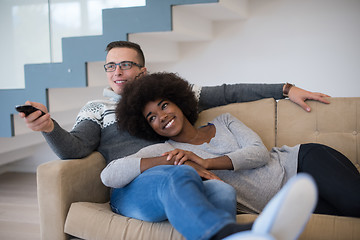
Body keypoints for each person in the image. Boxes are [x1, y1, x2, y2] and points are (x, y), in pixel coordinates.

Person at [19, 40, 330, 164]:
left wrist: (286, 88)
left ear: (142, 70)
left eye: (126, 64)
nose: (117, 72)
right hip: (140, 175)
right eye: (111, 66)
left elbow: (228, 92)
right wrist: (48, 126)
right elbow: (75, 149)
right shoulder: (96, 108)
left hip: (188, 167)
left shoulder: (167, 98)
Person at [103, 72, 360, 219]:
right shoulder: (166, 152)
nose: (162, 117)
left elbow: (258, 153)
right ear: (148, 127)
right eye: (152, 118)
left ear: (178, 102)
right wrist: (162, 161)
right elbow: (109, 175)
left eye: (164, 105)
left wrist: (204, 161)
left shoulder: (224, 121)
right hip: (282, 203)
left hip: (303, 163)